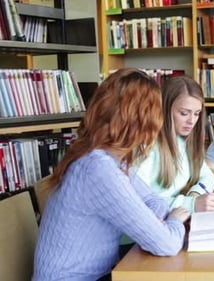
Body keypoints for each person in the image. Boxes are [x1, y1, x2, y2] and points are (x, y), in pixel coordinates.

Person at [33, 68, 190, 281]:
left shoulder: (103, 155)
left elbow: (154, 199)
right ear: (145, 121)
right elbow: (168, 245)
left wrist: (154, 222)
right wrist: (174, 221)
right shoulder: (98, 168)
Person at [135, 75, 214, 212]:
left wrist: (195, 194)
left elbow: (208, 177)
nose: (191, 121)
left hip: (171, 218)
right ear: (165, 109)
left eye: (197, 114)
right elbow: (138, 201)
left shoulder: (183, 141)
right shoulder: (146, 146)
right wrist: (190, 204)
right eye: (184, 113)